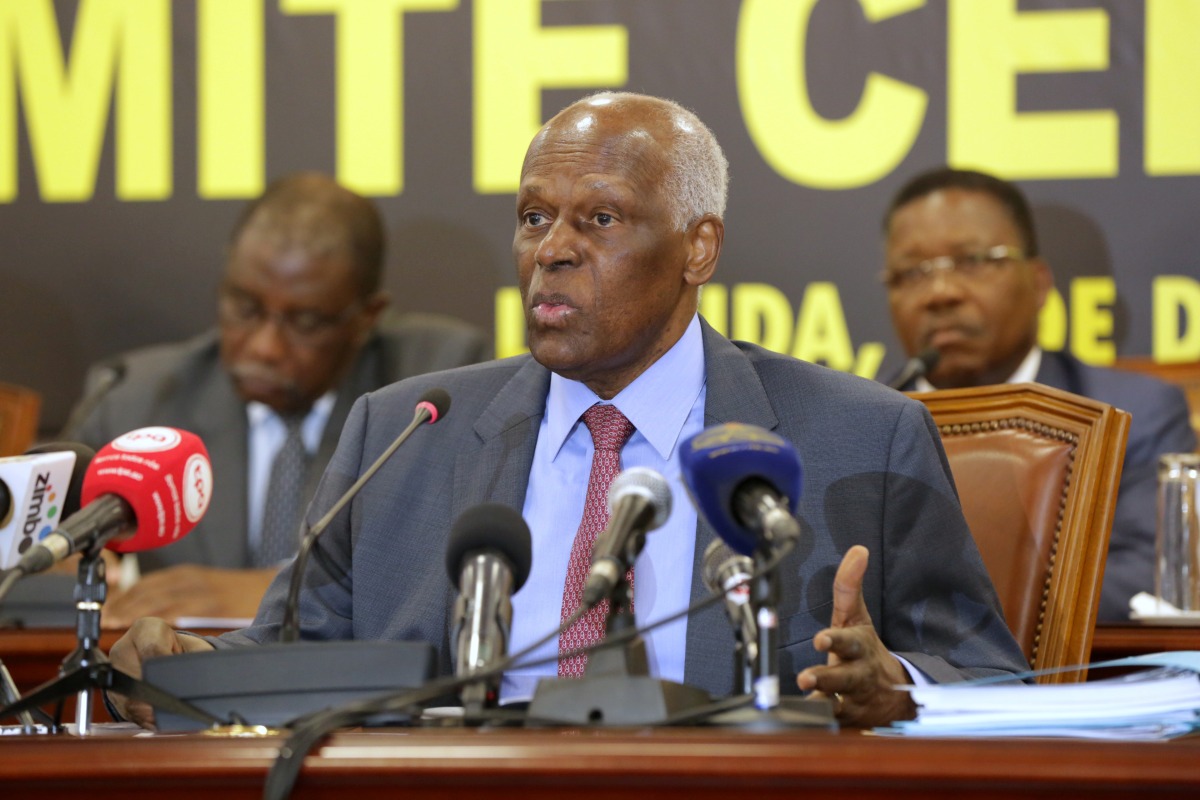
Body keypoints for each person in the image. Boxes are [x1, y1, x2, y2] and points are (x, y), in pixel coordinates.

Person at [109, 94, 1027, 730]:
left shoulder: (859, 437)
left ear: (697, 247)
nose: (550, 251)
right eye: (534, 217)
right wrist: (180, 664)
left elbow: (993, 681)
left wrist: (896, 686)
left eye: (600, 221)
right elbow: (286, 664)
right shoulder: (401, 433)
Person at [67, 172, 488, 626]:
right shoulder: (136, 399)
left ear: (366, 318)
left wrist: (278, 590)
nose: (265, 346)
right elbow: (42, 546)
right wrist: (66, 567)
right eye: (245, 308)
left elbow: (457, 565)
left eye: (305, 322)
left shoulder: (436, 388)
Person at [881, 166, 1198, 621]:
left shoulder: (1133, 413)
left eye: (972, 260)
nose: (941, 292)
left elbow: (1146, 578)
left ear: (1040, 283)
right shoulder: (858, 418)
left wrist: (939, 611)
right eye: (912, 272)